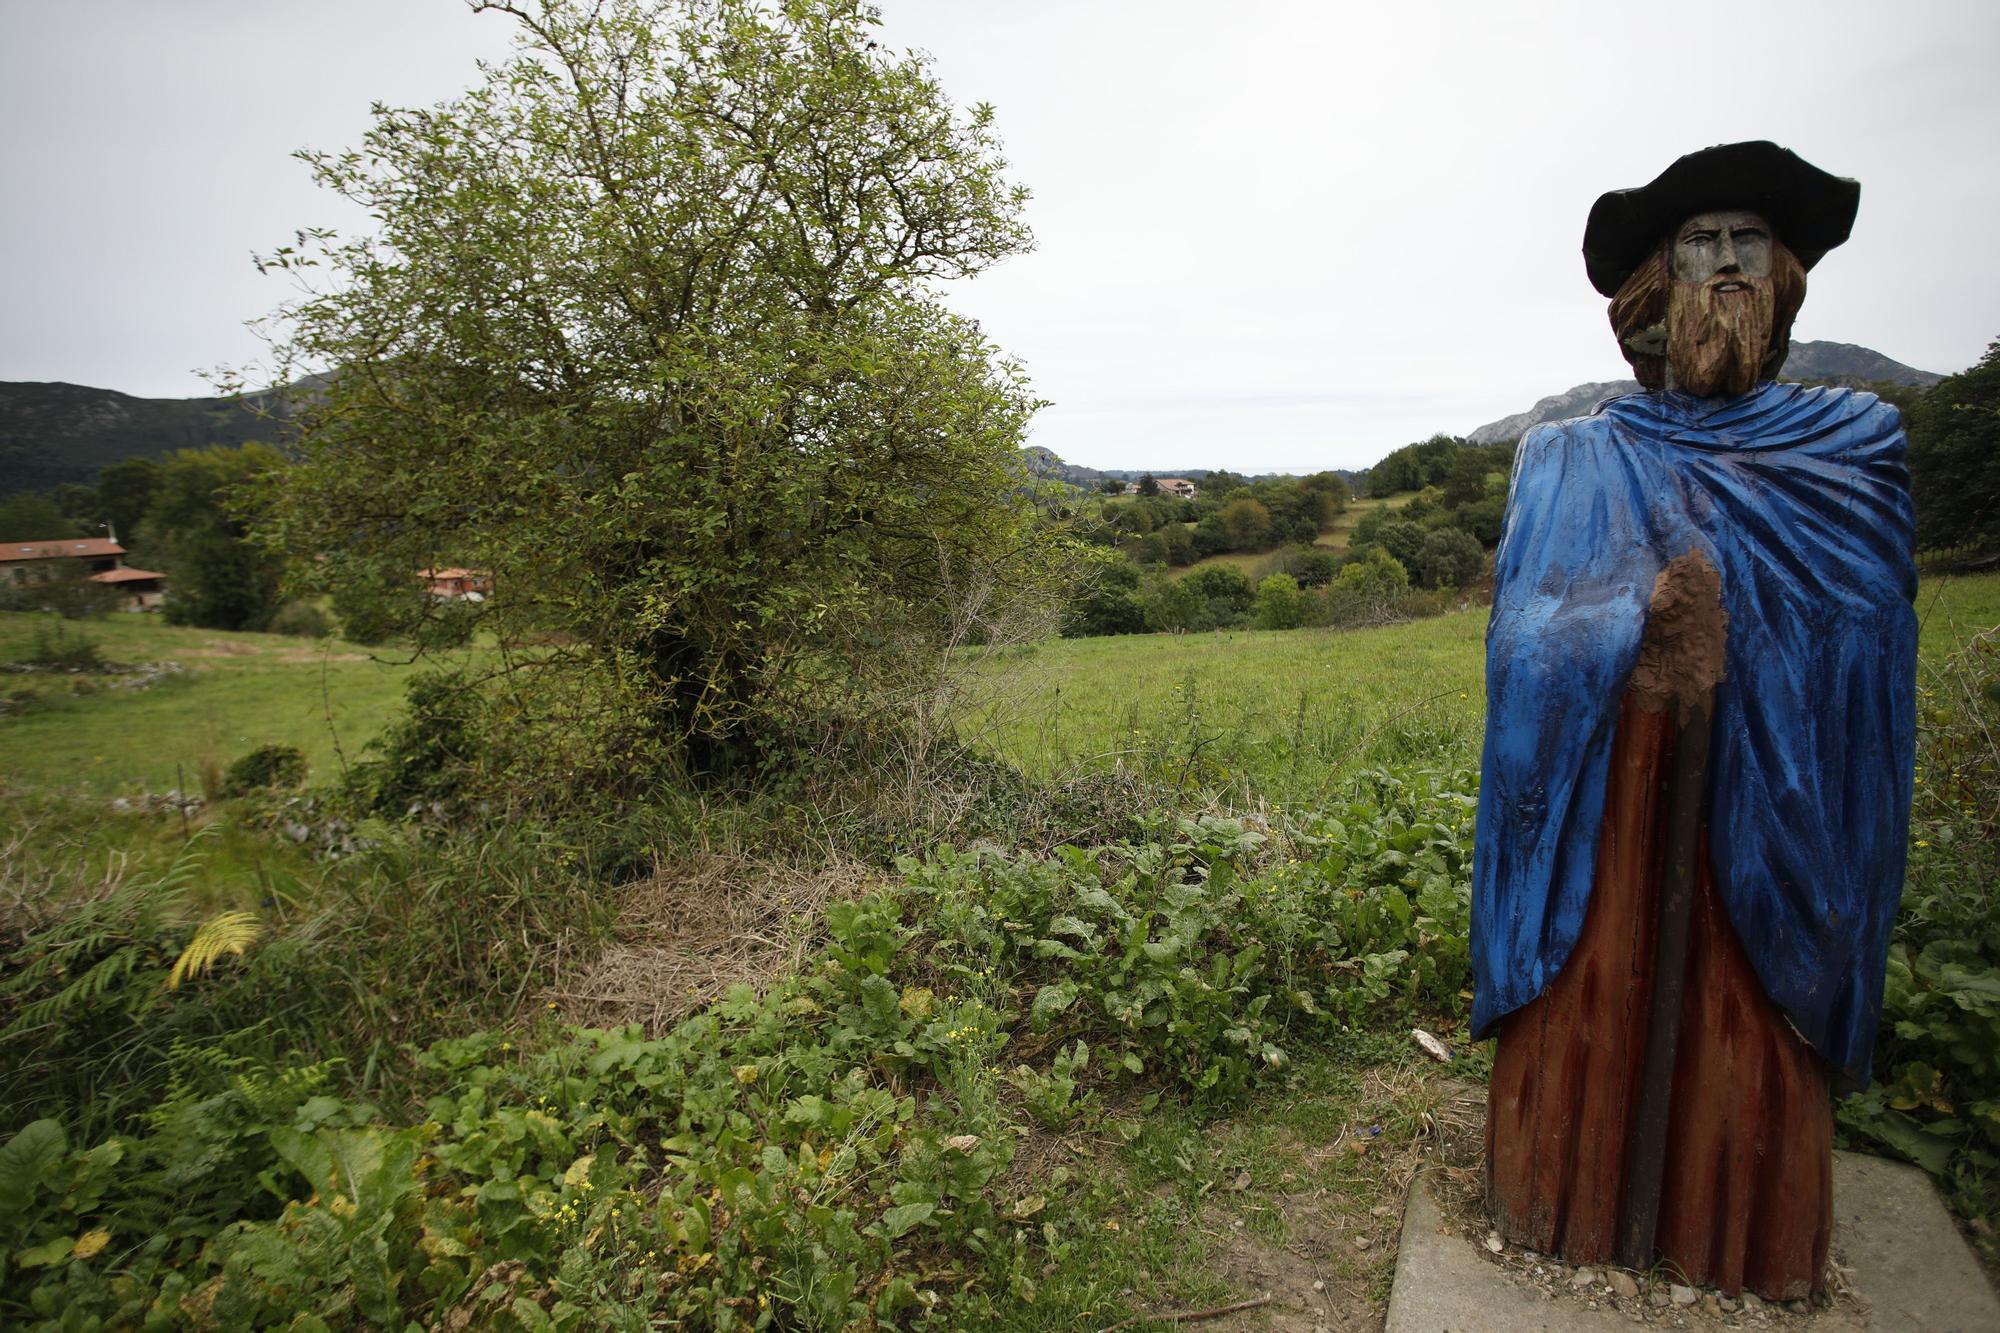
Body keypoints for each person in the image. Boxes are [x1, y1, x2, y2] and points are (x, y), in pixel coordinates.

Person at [1472, 141, 1916, 1300]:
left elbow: (1866, 646)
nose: (1724, 263)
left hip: (1785, 808)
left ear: (1782, 279)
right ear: (1650, 293)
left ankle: (1741, 1242)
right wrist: (1635, 618)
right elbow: (1521, 639)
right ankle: (1559, 1212)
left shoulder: (1851, 447)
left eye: (1748, 243)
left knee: (1743, 1054)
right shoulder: (1569, 457)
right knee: (1592, 1039)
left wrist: (1752, 645)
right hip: (1611, 819)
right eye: (1698, 245)